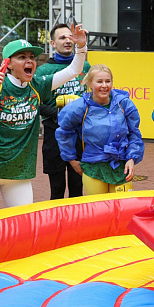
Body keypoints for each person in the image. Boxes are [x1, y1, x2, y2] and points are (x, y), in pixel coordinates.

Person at [0, 25, 89, 214]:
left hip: (20, 173)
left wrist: (81, 47)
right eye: (22, 57)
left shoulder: (37, 85)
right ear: (7, 63)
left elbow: (74, 70)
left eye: (32, 57)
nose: (29, 61)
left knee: (23, 225)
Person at [55, 64, 144, 195]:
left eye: (108, 81)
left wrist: (132, 158)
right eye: (99, 81)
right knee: (98, 211)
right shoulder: (80, 107)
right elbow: (64, 131)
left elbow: (134, 133)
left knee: (123, 210)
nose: (104, 85)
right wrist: (72, 160)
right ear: (90, 83)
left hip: (121, 167)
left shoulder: (123, 103)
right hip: (93, 167)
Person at [34, 23, 92, 200]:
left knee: (77, 186)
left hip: (80, 133)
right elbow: (35, 103)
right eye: (62, 38)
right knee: (57, 188)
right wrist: (58, 114)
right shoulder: (43, 71)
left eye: (70, 37)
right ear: (52, 43)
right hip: (54, 131)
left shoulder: (86, 66)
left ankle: (77, 226)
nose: (67, 41)